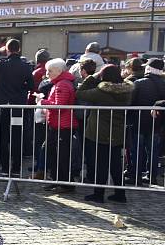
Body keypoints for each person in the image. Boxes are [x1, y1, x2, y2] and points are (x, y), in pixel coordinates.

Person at [76, 64, 133, 203]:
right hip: (117, 132)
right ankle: (120, 194)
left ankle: (98, 194)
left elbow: (80, 93)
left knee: (100, 164)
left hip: (100, 132)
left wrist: (91, 77)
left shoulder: (101, 92)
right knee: (116, 165)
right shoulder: (127, 91)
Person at [0, 39, 34, 177]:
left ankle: (5, 168)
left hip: (2, 106)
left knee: (3, 137)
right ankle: (16, 169)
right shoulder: (26, 66)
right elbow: (30, 86)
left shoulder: (2, 64)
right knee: (17, 137)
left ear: (7, 50)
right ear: (19, 49)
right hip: (17, 107)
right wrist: (20, 89)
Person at [36, 58, 78, 194]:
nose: (47, 73)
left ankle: (65, 183)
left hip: (62, 125)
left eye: (50, 71)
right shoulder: (60, 83)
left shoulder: (63, 85)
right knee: (53, 153)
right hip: (57, 123)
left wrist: (42, 101)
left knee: (61, 155)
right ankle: (56, 180)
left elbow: (59, 107)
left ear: (59, 71)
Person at [126, 58, 165, 185]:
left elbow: (130, 103)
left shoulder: (139, 83)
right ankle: (151, 177)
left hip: (138, 122)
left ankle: (136, 176)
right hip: (156, 123)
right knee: (152, 151)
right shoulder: (163, 83)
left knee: (136, 151)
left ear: (149, 68)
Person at [30, 50, 51, 180]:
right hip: (47, 110)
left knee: (39, 140)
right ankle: (42, 166)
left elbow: (31, 89)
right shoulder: (47, 72)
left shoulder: (36, 73)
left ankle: (40, 166)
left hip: (40, 108)